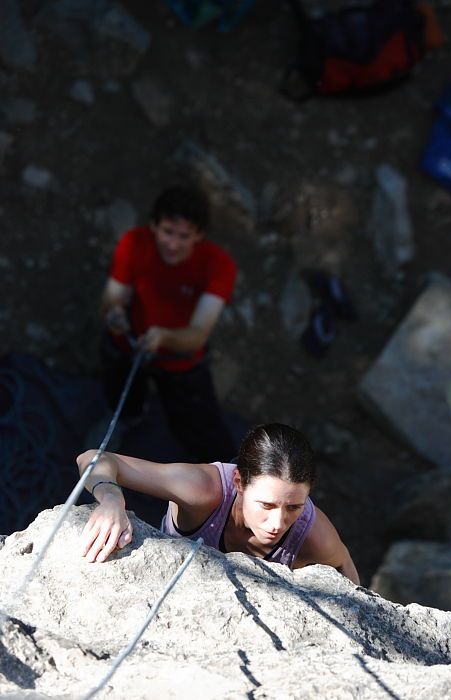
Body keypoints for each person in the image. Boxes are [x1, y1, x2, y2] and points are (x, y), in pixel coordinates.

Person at [77, 423, 360, 584]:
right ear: (238, 482)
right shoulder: (203, 490)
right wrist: (112, 500)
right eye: (267, 505)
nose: (278, 524)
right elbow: (93, 458)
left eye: (294, 507)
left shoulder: (314, 535)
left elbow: (346, 571)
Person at [96, 184, 237, 462]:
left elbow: (197, 334)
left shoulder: (217, 265)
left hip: (180, 361)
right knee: (122, 394)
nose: (172, 244)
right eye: (167, 232)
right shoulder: (134, 244)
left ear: (199, 235)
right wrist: (114, 314)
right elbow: (113, 298)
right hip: (131, 345)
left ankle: (222, 471)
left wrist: (164, 338)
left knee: (200, 427)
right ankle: (126, 420)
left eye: (184, 236)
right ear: (153, 226)